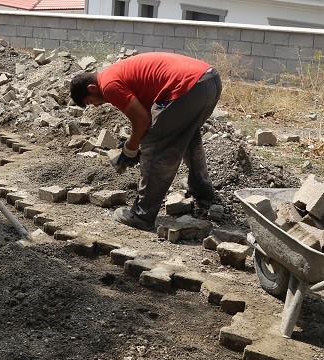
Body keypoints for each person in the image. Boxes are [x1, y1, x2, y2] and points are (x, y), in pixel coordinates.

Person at [70, 52, 222, 231]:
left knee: (156, 145)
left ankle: (142, 214)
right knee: (184, 133)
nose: (95, 105)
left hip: (187, 86)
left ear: (92, 88)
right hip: (209, 80)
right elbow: (146, 119)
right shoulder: (114, 73)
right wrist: (133, 144)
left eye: (90, 101)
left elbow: (142, 121)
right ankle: (201, 187)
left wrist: (130, 149)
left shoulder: (109, 85)